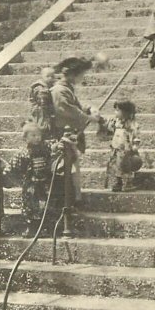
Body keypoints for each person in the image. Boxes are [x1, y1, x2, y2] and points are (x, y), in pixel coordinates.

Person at [51, 56, 100, 205]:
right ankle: (67, 204)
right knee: (66, 170)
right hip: (62, 135)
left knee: (72, 168)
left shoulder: (67, 88)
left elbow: (77, 105)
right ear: (73, 74)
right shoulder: (59, 90)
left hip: (71, 134)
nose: (83, 77)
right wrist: (89, 118)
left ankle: (72, 201)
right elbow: (69, 110)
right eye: (82, 75)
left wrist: (89, 108)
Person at [9, 122, 63, 237]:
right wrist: (20, 178)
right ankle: (32, 227)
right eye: (33, 135)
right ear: (25, 138)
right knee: (30, 205)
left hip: (45, 182)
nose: (37, 138)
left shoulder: (46, 148)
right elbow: (14, 168)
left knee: (46, 204)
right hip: (31, 184)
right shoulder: (23, 153)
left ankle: (47, 227)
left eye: (38, 135)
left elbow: (53, 148)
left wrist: (57, 147)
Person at [98, 100, 142, 192]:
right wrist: (101, 121)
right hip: (116, 148)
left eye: (118, 110)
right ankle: (118, 183)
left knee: (125, 166)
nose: (115, 112)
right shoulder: (116, 122)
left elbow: (135, 135)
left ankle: (128, 183)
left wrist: (135, 145)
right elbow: (108, 128)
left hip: (126, 149)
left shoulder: (131, 123)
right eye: (115, 110)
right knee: (115, 166)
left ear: (126, 112)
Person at [29, 66, 57, 139]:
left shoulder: (49, 86)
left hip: (43, 110)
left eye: (52, 76)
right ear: (42, 77)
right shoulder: (41, 88)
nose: (50, 78)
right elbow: (43, 102)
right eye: (47, 76)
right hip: (42, 111)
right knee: (44, 127)